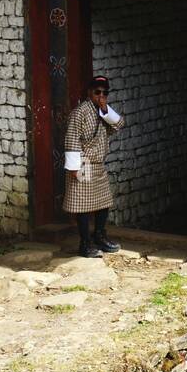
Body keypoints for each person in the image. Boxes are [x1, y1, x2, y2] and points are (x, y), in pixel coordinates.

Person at [63, 74, 124, 258]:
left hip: (98, 163)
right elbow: (72, 138)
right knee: (83, 204)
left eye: (104, 92)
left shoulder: (102, 111)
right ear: (90, 92)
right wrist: (74, 168)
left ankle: (99, 235)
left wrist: (105, 110)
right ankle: (85, 243)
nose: (101, 95)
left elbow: (118, 125)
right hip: (84, 163)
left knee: (103, 202)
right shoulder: (79, 113)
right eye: (97, 92)